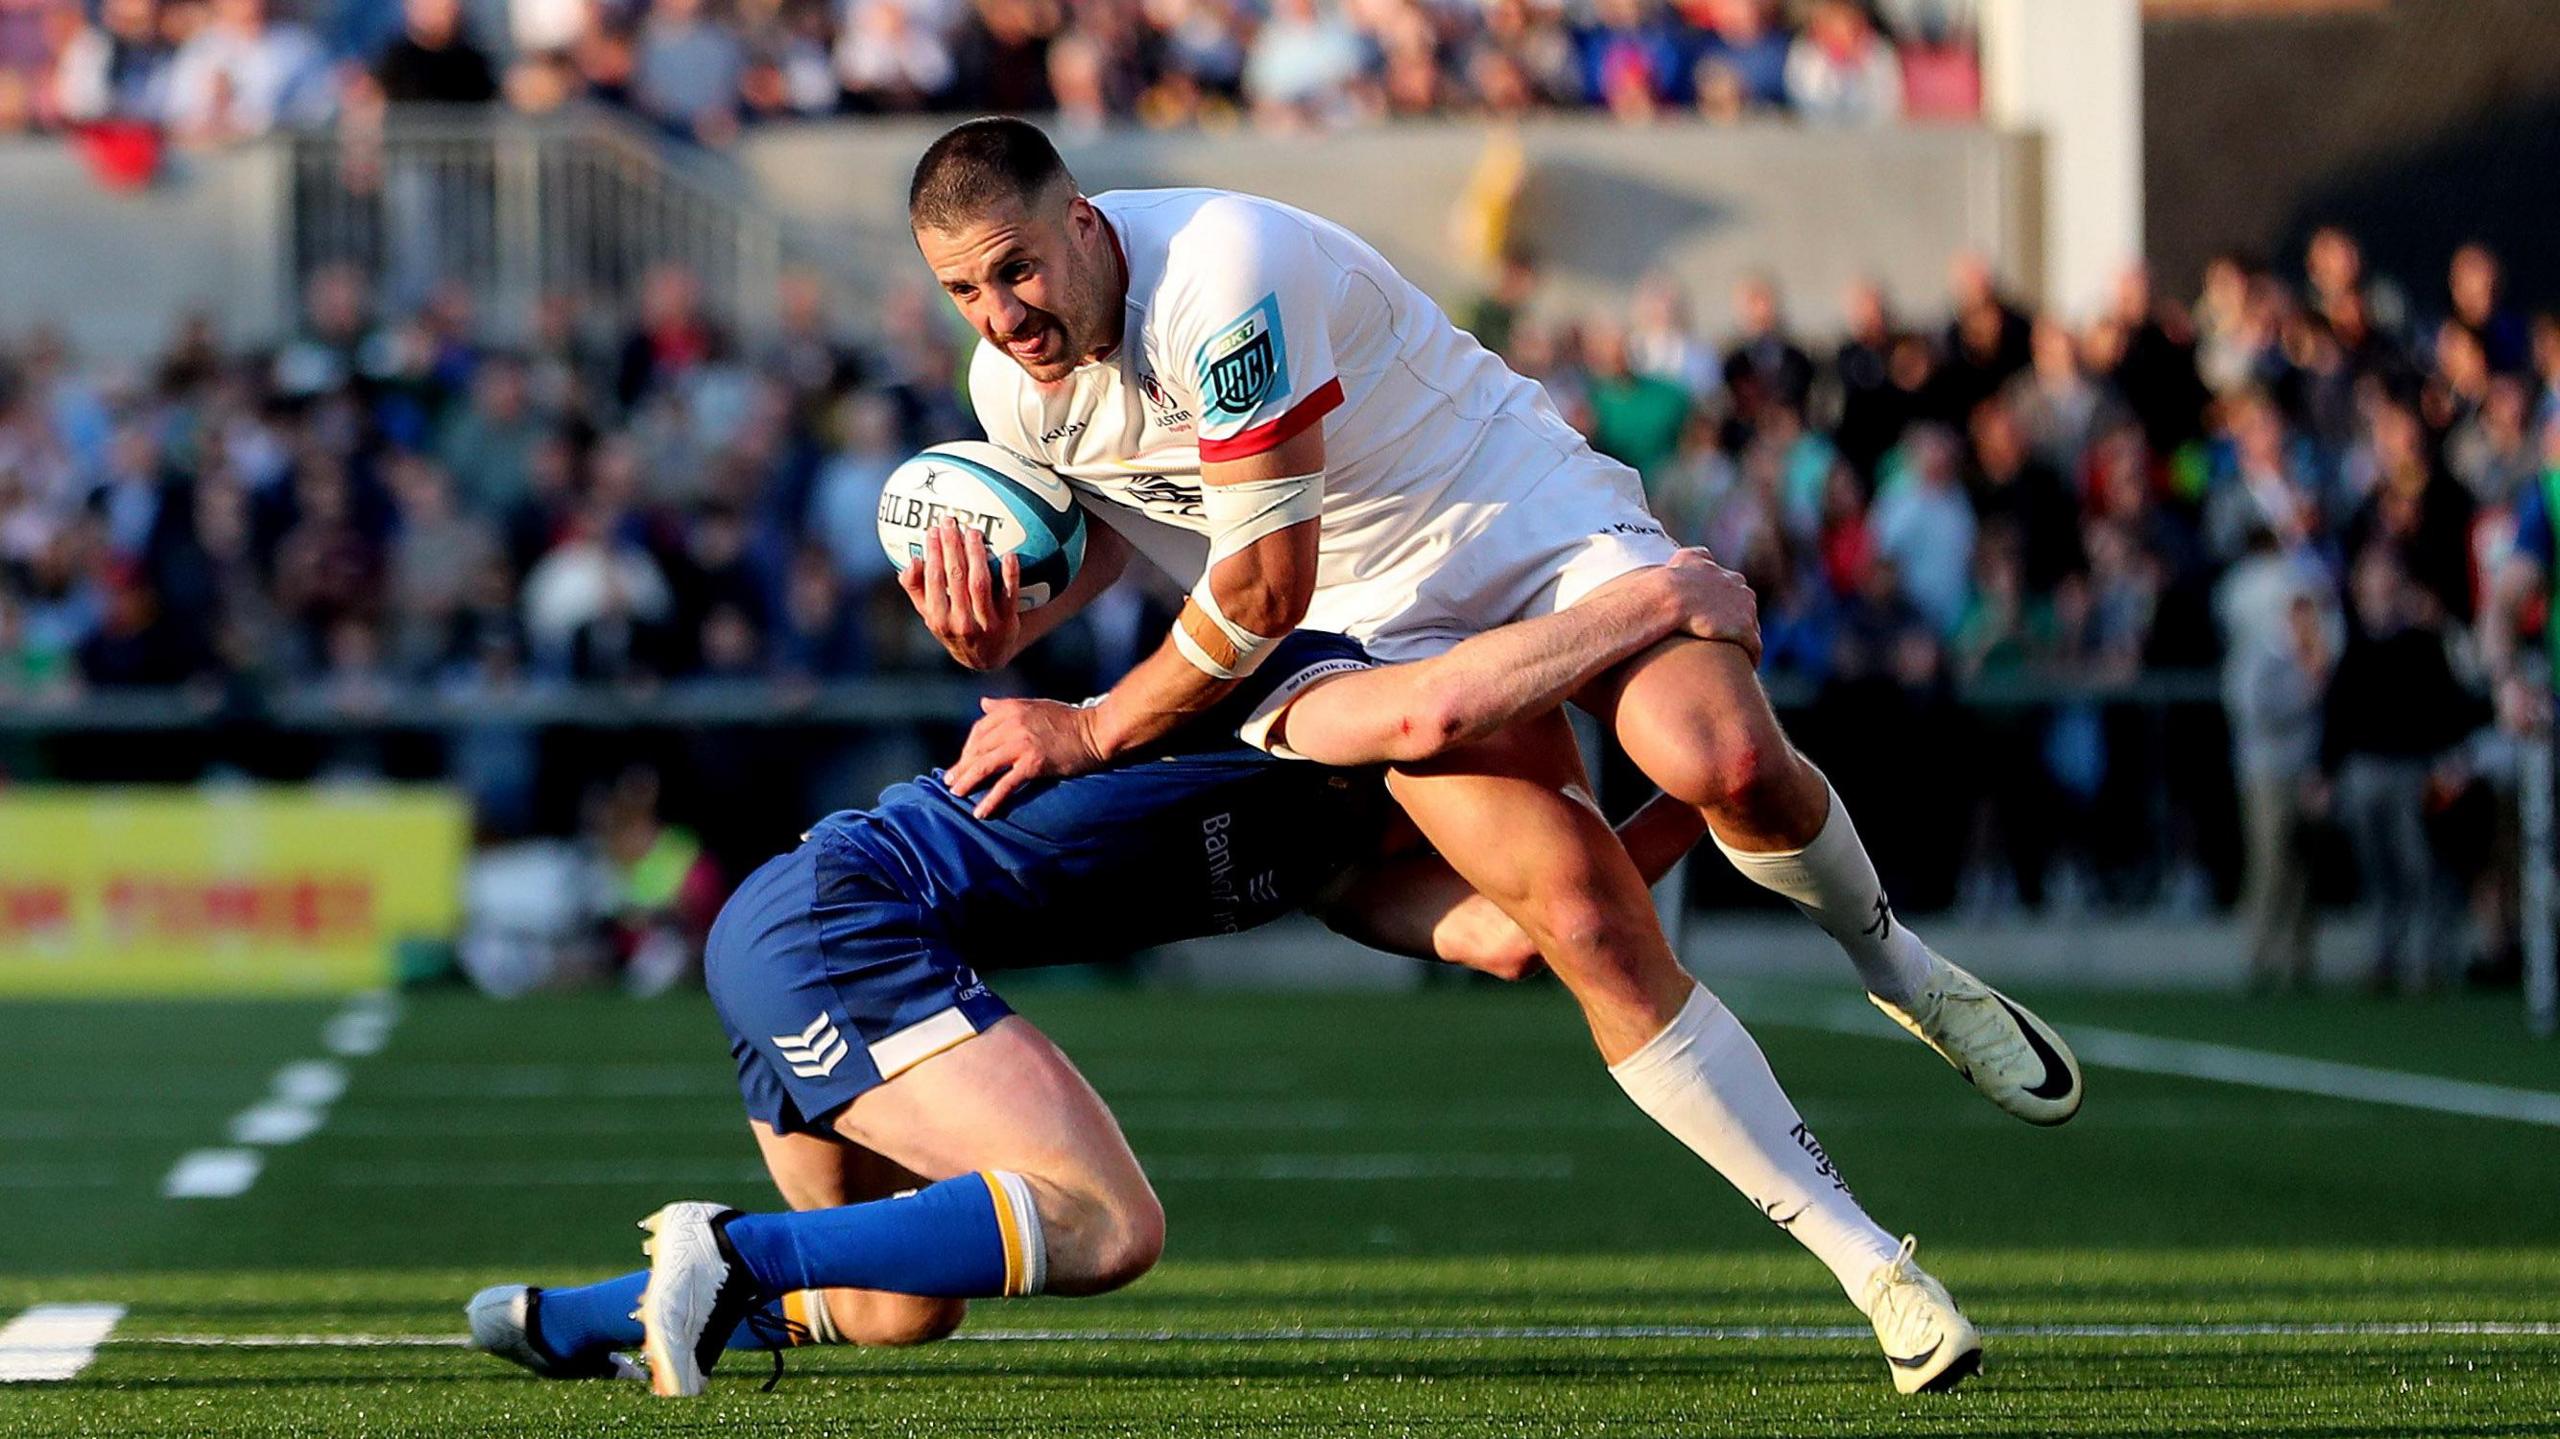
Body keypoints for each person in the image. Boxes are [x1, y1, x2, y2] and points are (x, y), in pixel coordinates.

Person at [898, 119, 2075, 1390]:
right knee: (1578, 924)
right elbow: (1137, 520)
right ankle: (1874, 1269)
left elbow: (1259, 578)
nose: (998, 312)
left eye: (1013, 268)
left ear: (1082, 222)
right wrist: (1005, 623)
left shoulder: (1218, 267)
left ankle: (1893, 961)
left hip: (1508, 514)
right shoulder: (1006, 390)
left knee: (1719, 756)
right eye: (961, 288)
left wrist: (1086, 726)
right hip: (1344, 641)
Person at [467, 550, 1981, 1395]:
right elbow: (1426, 704)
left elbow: (1512, 930)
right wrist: (1652, 609)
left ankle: (577, 1314)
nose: (1531, 774)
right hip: (845, 915)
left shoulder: (1334, 859)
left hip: (807, 938)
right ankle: (721, 1248)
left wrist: (1711, 803)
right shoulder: (1304, 694)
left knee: (894, 1310)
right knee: (1106, 1222)